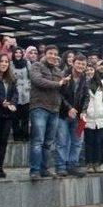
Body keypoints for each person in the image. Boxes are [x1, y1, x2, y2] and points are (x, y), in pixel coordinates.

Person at [29, 45, 68, 179]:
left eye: (55, 54)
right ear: (44, 54)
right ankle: (34, 170)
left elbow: (62, 90)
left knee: (48, 142)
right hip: (39, 107)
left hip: (54, 109)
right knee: (38, 140)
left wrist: (66, 84)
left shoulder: (59, 71)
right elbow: (38, 81)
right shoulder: (37, 66)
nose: (52, 56)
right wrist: (58, 84)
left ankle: (44, 169)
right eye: (50, 53)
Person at [56, 53, 89, 177]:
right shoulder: (64, 75)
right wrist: (69, 108)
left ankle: (72, 165)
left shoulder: (85, 78)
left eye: (83, 64)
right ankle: (61, 166)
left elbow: (86, 97)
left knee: (77, 141)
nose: (81, 66)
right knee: (62, 141)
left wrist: (84, 111)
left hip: (78, 116)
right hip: (63, 114)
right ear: (73, 63)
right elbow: (58, 94)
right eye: (78, 63)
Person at [0, 54, 18, 178]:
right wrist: (2, 101)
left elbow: (15, 94)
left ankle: (0, 166)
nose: (4, 64)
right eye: (2, 61)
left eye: (6, 62)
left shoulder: (11, 78)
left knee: (4, 141)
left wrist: (13, 103)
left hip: (7, 113)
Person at [84, 64, 103, 173]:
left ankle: (97, 163)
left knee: (99, 141)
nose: (89, 72)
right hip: (87, 117)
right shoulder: (82, 83)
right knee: (89, 141)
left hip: (100, 117)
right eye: (87, 70)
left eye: (91, 69)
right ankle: (89, 163)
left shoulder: (102, 83)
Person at [11, 47, 31, 141]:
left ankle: (25, 135)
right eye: (16, 53)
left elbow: (31, 76)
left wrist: (29, 85)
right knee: (14, 117)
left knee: (25, 117)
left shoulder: (27, 63)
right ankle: (16, 135)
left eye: (20, 53)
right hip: (14, 92)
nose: (18, 54)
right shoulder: (10, 63)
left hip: (26, 93)